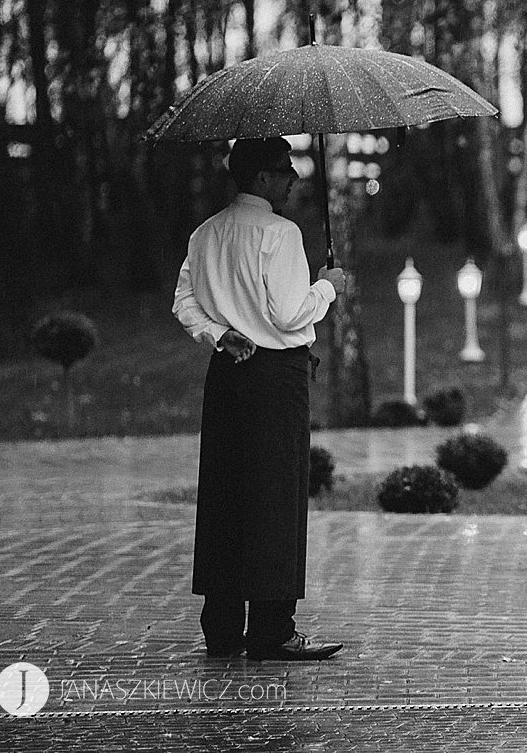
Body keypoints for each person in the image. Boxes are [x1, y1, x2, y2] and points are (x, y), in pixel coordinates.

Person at [171, 136, 350, 661]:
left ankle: (222, 627)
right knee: (276, 498)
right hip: (276, 378)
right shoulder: (280, 233)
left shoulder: (205, 234)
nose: (294, 177)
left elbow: (183, 299)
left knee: (224, 494)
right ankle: (273, 628)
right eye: (285, 168)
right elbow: (291, 313)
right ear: (262, 178)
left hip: (227, 373)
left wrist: (216, 333)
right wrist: (327, 286)